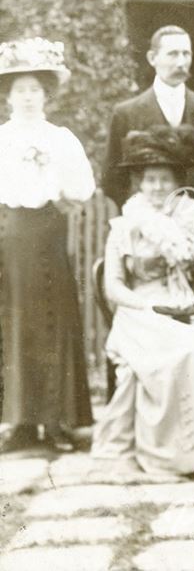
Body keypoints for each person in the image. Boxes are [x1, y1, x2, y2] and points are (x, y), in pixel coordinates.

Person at [90, 125, 194, 475]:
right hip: (140, 310)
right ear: (139, 183)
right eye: (150, 180)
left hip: (184, 304)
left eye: (165, 180)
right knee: (181, 356)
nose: (158, 188)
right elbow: (113, 287)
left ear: (177, 182)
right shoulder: (125, 225)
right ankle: (179, 455)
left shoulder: (191, 222)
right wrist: (144, 307)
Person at [0, 38, 94, 453]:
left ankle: (58, 420)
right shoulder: (1, 138)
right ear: (8, 96)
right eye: (19, 90)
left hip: (49, 230)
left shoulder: (60, 138)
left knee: (52, 319)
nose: (27, 97)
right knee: (15, 320)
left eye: (35, 89)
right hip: (11, 232)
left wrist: (57, 185)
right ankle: (20, 421)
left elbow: (83, 187)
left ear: (46, 95)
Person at [102, 25, 194, 210]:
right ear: (152, 58)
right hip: (145, 222)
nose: (181, 62)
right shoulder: (126, 113)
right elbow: (112, 178)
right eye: (173, 54)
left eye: (186, 54)